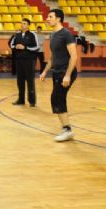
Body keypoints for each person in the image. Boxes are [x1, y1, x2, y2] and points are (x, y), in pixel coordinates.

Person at [40, 9, 78, 142]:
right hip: (56, 72)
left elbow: (74, 56)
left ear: (58, 19)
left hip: (66, 72)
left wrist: (67, 75)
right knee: (57, 99)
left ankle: (67, 130)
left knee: (57, 98)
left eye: (50, 16)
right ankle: (66, 129)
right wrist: (45, 71)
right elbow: (52, 57)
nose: (47, 19)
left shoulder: (66, 34)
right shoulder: (53, 35)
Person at [11, 18, 39, 107]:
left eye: (24, 23)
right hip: (19, 61)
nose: (22, 25)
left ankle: (32, 101)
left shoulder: (32, 34)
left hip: (29, 61)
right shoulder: (17, 35)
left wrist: (25, 48)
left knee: (30, 81)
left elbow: (36, 47)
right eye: (21, 23)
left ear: (28, 25)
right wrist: (16, 46)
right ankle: (21, 100)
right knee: (20, 81)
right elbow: (11, 45)